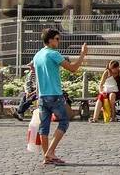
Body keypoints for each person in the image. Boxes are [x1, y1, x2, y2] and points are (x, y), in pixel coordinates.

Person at [31, 28, 89, 166]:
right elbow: (73, 68)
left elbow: (36, 76)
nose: (59, 41)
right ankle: (50, 152)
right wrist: (82, 54)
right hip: (54, 95)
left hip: (42, 96)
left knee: (44, 127)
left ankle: (47, 157)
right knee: (64, 121)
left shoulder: (37, 55)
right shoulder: (53, 54)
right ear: (50, 40)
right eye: (57, 38)